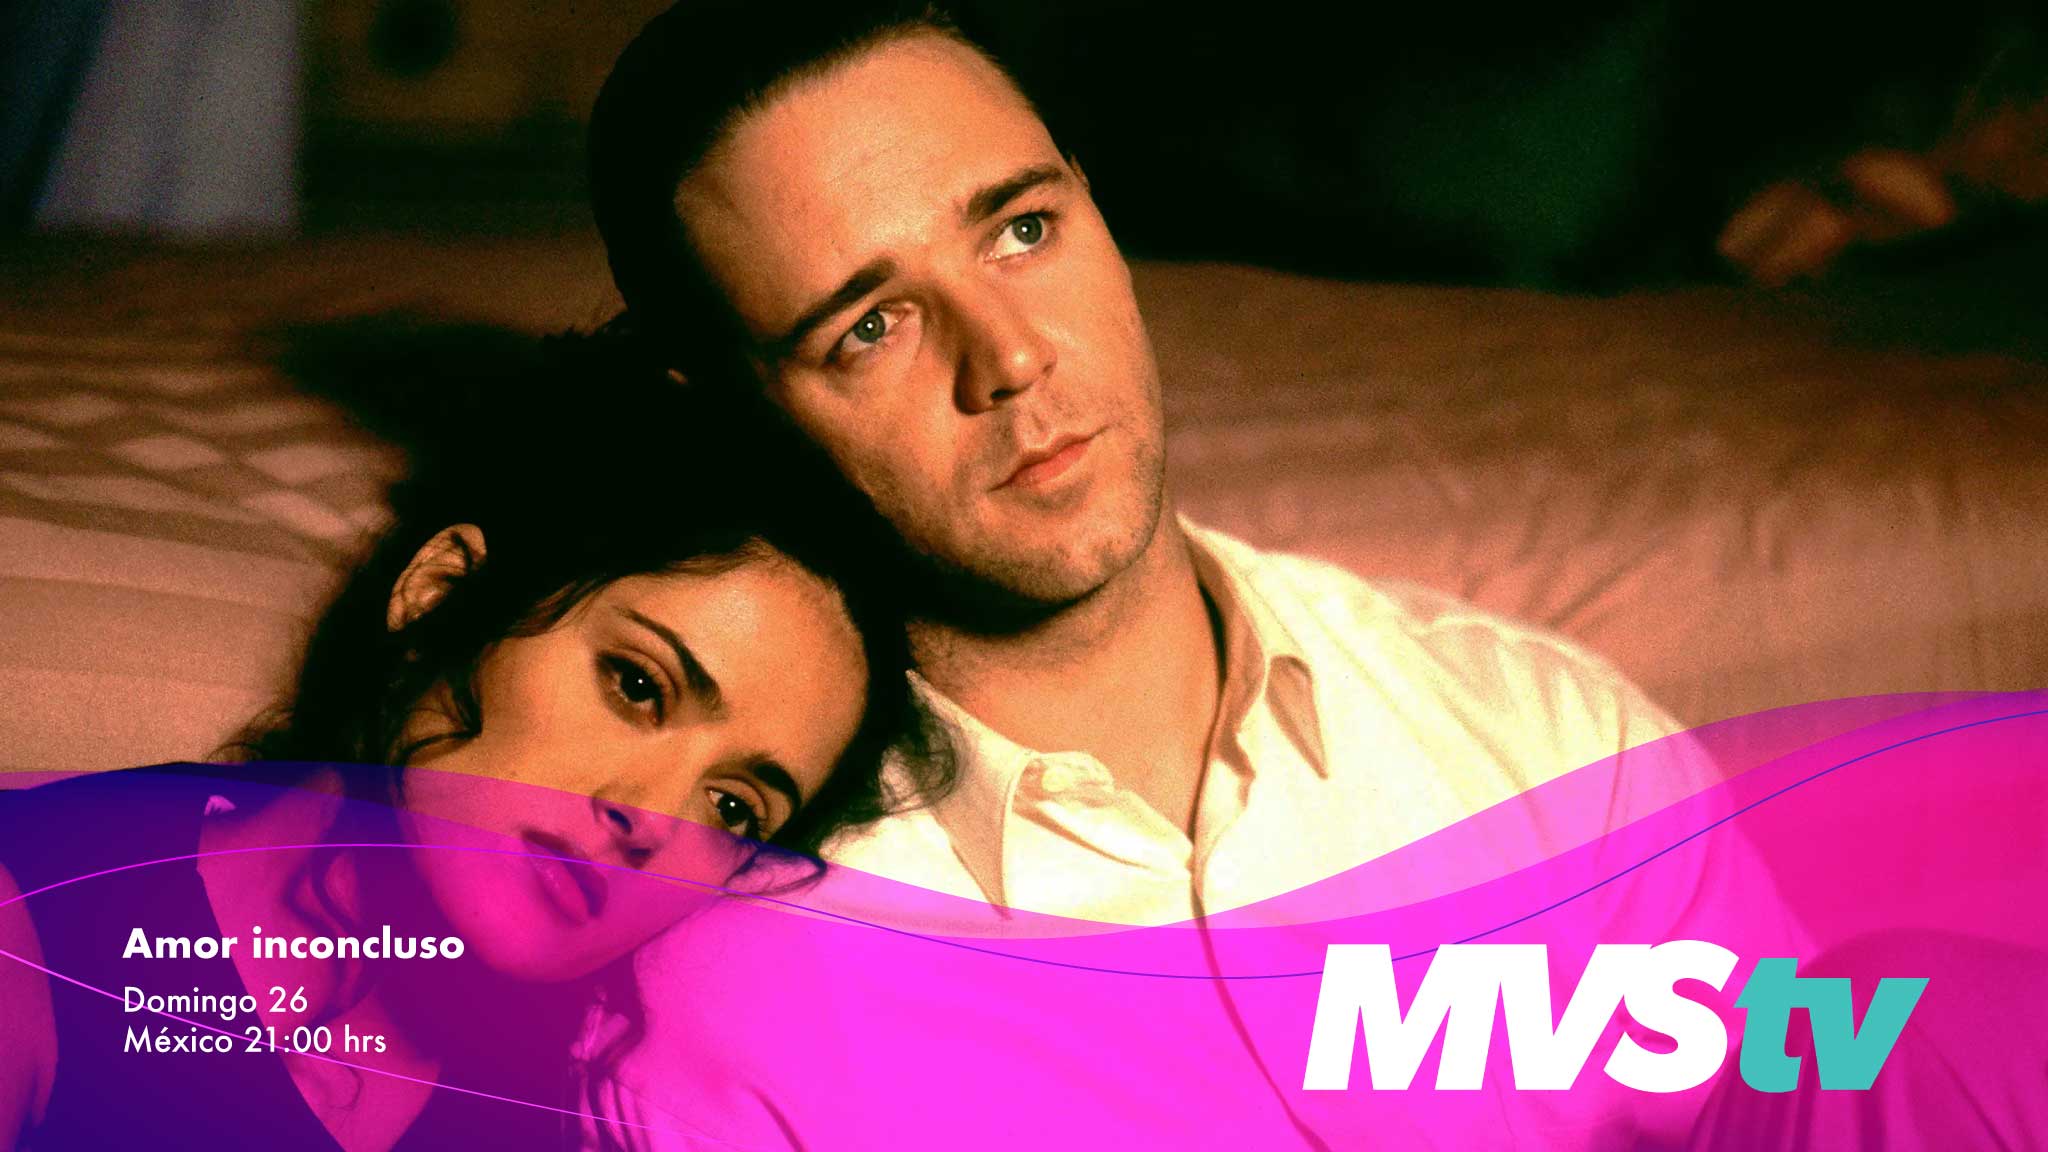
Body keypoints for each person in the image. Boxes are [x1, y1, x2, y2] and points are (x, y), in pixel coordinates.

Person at [585, 0, 1719, 927]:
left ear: (1093, 201)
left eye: (1022, 230)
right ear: (727, 413)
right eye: (870, 327)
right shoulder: (756, 966)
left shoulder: (1556, 747)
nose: (1011, 358)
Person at [0, 332, 931, 1151]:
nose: (654, 821)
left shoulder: (583, 1093)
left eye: (732, 807)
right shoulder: (48, 920)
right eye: (638, 684)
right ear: (441, 593)